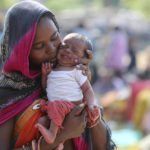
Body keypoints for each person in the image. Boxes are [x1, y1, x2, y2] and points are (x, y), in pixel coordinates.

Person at [0, 1, 116, 150]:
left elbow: (101, 146)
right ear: (21, 52)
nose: (51, 49)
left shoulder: (67, 77)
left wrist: (83, 87)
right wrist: (60, 136)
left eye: (55, 37)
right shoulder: (9, 95)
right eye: (39, 46)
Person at [35, 33, 100, 147]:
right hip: (55, 106)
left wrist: (91, 105)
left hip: (70, 106)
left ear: (83, 58)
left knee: (56, 109)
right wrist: (45, 75)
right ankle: (59, 142)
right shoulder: (53, 69)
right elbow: (47, 89)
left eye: (74, 50)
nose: (67, 51)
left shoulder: (77, 70)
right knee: (42, 121)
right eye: (64, 46)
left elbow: (87, 89)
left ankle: (51, 136)